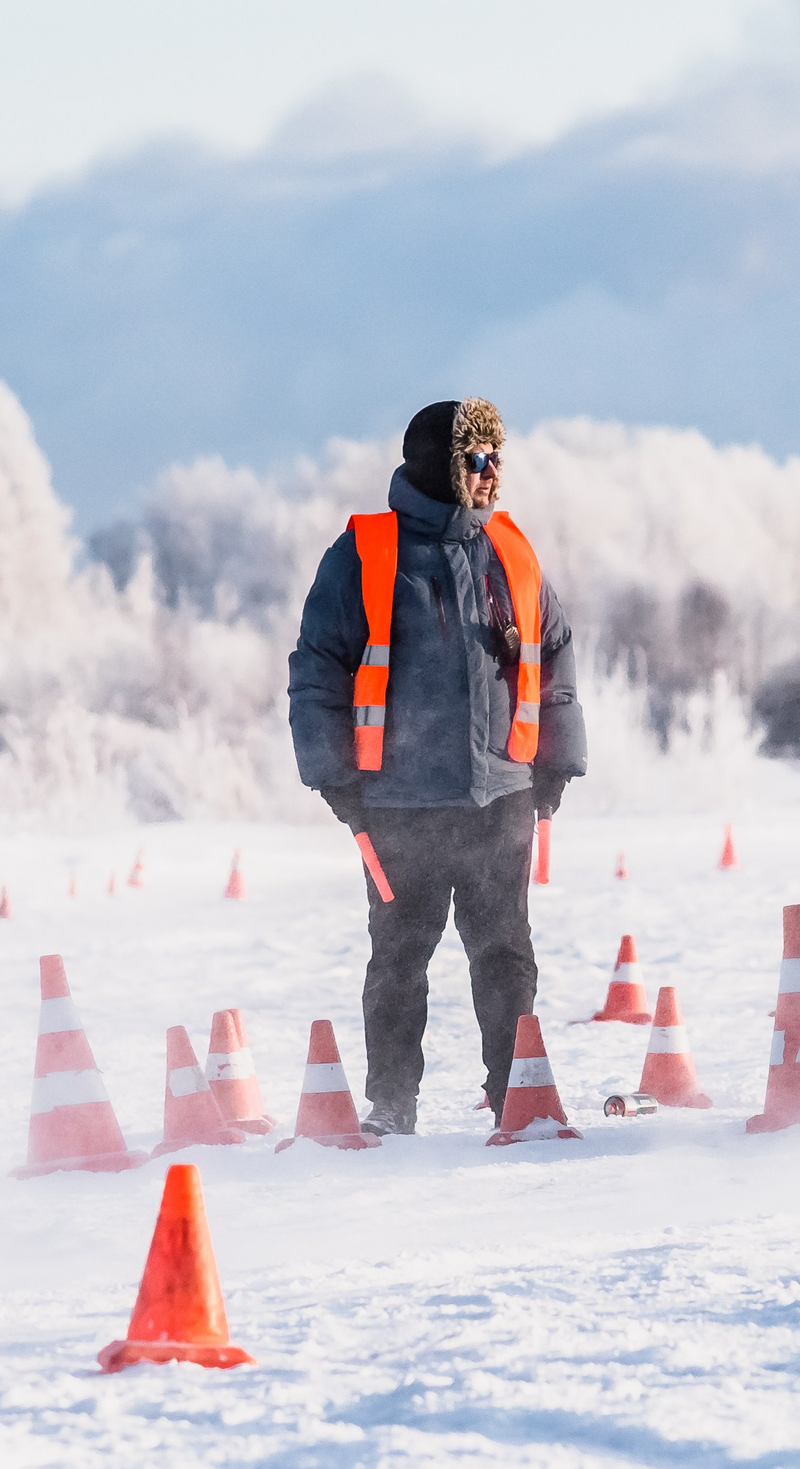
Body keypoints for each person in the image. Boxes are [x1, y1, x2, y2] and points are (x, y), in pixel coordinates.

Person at [287, 399, 585, 1135]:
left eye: (494, 459)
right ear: (438, 466)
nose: (489, 474)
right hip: (398, 806)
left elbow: (556, 660)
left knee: (506, 955)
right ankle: (391, 1106)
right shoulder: (362, 555)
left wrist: (557, 762)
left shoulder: (511, 550)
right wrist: (334, 776)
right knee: (398, 958)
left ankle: (519, 1099)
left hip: (502, 797)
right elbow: (315, 672)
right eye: (474, 460)